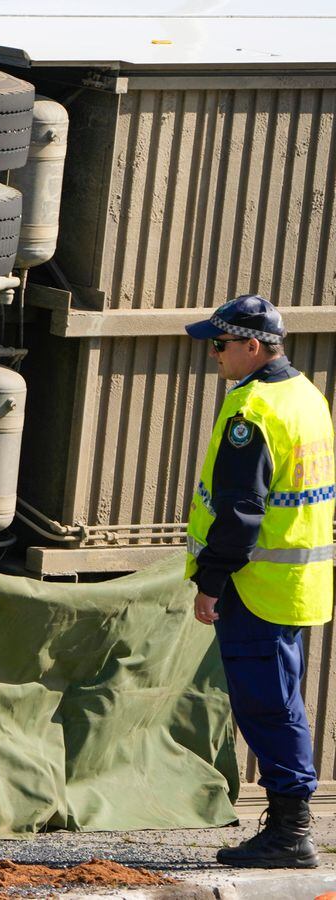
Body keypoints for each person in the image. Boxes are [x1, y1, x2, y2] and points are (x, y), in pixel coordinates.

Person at [184, 294, 335, 869]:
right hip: (297, 583)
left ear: (253, 345)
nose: (214, 355)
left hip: (257, 586)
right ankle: (289, 826)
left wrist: (211, 581)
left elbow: (242, 509)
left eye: (220, 345)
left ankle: (291, 832)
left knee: (269, 707)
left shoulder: (252, 410)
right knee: (281, 701)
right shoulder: (306, 395)